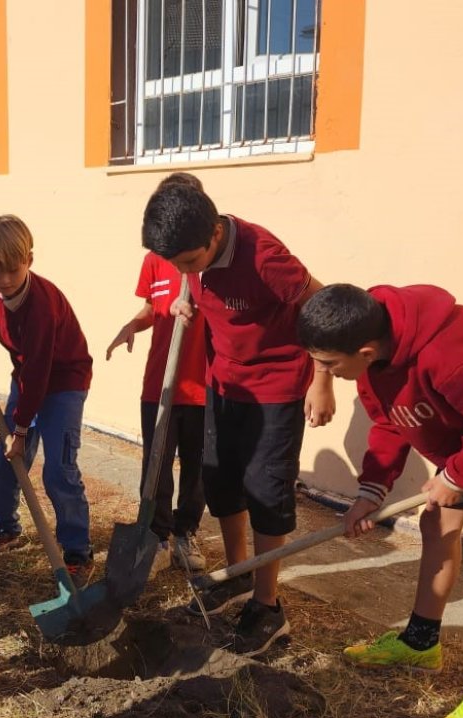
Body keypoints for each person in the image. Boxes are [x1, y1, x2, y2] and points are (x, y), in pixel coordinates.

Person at [297, 283, 463, 718]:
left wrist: (457, 476)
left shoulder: (457, 355)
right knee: (435, 526)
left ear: (365, 351)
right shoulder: (374, 361)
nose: (322, 371)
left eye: (328, 364)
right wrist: (372, 491)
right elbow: (391, 422)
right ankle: (420, 644)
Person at [141, 182, 334, 656]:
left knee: (266, 491)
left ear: (213, 234)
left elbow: (322, 304)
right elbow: (198, 285)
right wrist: (187, 296)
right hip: (224, 382)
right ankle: (239, 575)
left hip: (276, 388)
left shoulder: (264, 256)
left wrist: (323, 378)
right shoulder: (194, 257)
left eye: (189, 262)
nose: (184, 271)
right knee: (220, 481)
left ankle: (267, 608)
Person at [0, 215, 96, 581]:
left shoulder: (41, 306)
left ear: (29, 260)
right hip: (28, 379)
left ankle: (78, 550)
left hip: (63, 383)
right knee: (5, 460)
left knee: (58, 470)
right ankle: (4, 526)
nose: (2, 281)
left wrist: (20, 431)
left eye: (11, 271)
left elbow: (39, 372)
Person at [106, 172, 209, 571]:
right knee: (157, 465)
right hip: (160, 386)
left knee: (198, 469)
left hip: (203, 387)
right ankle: (157, 536)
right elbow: (152, 307)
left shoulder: (209, 263)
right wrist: (134, 323)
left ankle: (186, 533)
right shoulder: (155, 259)